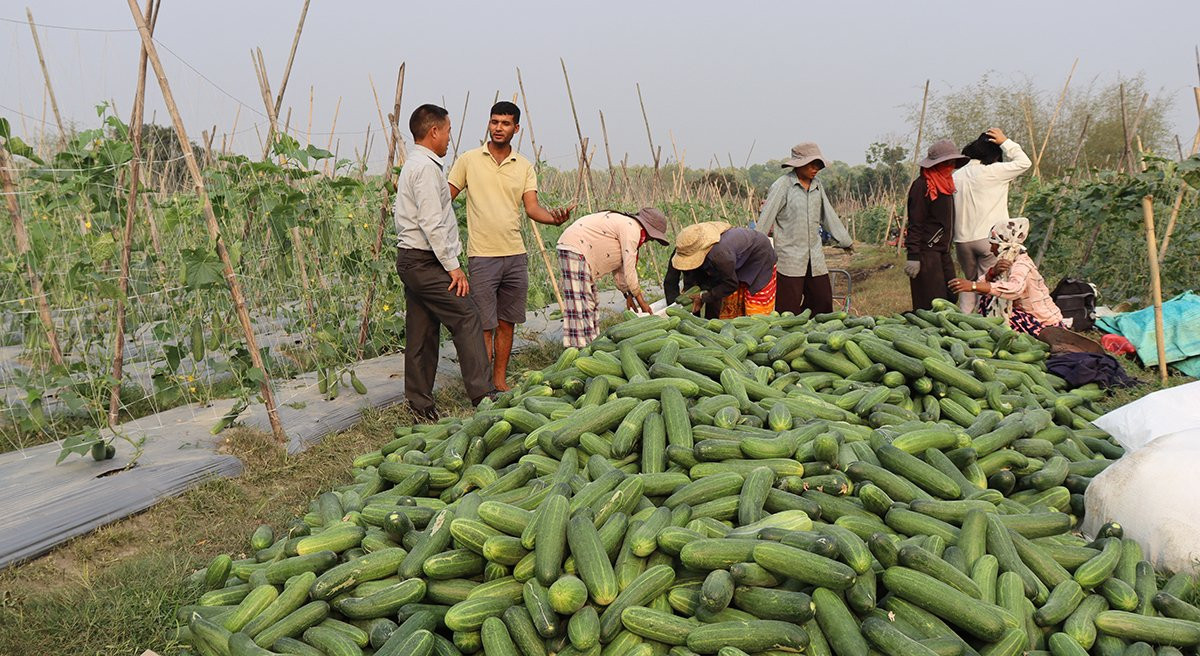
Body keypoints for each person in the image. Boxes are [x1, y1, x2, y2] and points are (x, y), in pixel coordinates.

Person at [448, 101, 572, 390]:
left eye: (505, 123)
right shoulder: (469, 160)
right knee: (485, 325)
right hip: (482, 255)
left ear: (516, 128)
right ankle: (482, 385)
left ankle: (500, 381)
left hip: (515, 256)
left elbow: (532, 208)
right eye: (494, 122)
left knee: (507, 323)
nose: (498, 128)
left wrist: (555, 220)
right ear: (488, 124)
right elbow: (446, 197)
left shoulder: (524, 166)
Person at [393, 104, 495, 421]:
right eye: (448, 130)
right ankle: (484, 395)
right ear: (434, 131)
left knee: (422, 332)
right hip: (424, 261)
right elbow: (431, 222)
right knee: (466, 315)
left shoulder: (420, 165)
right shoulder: (424, 168)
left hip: (416, 260)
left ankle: (421, 407)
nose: (450, 137)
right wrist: (453, 267)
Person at [756, 142, 853, 314]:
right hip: (790, 258)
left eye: (818, 165)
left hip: (814, 258)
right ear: (798, 165)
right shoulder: (783, 185)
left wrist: (845, 240)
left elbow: (828, 215)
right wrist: (754, 248)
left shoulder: (817, 185)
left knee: (822, 302)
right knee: (788, 309)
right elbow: (766, 217)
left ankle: (816, 338)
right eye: (812, 164)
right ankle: (788, 338)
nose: (816, 168)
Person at [556, 208, 669, 348]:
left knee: (590, 302)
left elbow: (621, 268)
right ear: (649, 230)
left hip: (581, 253)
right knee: (580, 304)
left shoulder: (630, 229)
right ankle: (579, 350)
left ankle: (592, 344)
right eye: (653, 238)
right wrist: (641, 301)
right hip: (575, 247)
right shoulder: (631, 228)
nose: (651, 241)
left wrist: (628, 295)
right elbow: (629, 268)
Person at [953, 128, 1031, 311]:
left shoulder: (956, 176)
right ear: (995, 154)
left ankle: (960, 322)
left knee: (969, 284)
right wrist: (1005, 142)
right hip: (989, 240)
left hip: (962, 241)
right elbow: (1024, 162)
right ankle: (982, 327)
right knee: (988, 284)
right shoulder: (994, 171)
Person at [948, 218, 1070, 336]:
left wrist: (973, 286)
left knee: (992, 302)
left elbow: (1015, 289)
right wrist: (992, 272)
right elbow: (985, 285)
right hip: (1030, 317)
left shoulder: (1021, 264)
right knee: (988, 299)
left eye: (993, 244)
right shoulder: (1008, 259)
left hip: (1046, 325)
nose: (991, 249)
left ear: (1003, 245)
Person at [664, 221, 777, 319]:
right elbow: (671, 281)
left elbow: (730, 284)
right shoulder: (685, 248)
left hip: (759, 258)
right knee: (730, 310)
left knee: (755, 314)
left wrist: (704, 297)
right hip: (733, 260)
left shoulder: (719, 256)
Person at [905, 140, 969, 311]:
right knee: (931, 301)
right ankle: (925, 334)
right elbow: (915, 222)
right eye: (946, 163)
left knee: (951, 295)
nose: (950, 166)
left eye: (952, 163)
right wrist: (913, 256)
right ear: (937, 164)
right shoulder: (923, 186)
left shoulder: (946, 185)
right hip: (926, 251)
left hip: (943, 250)